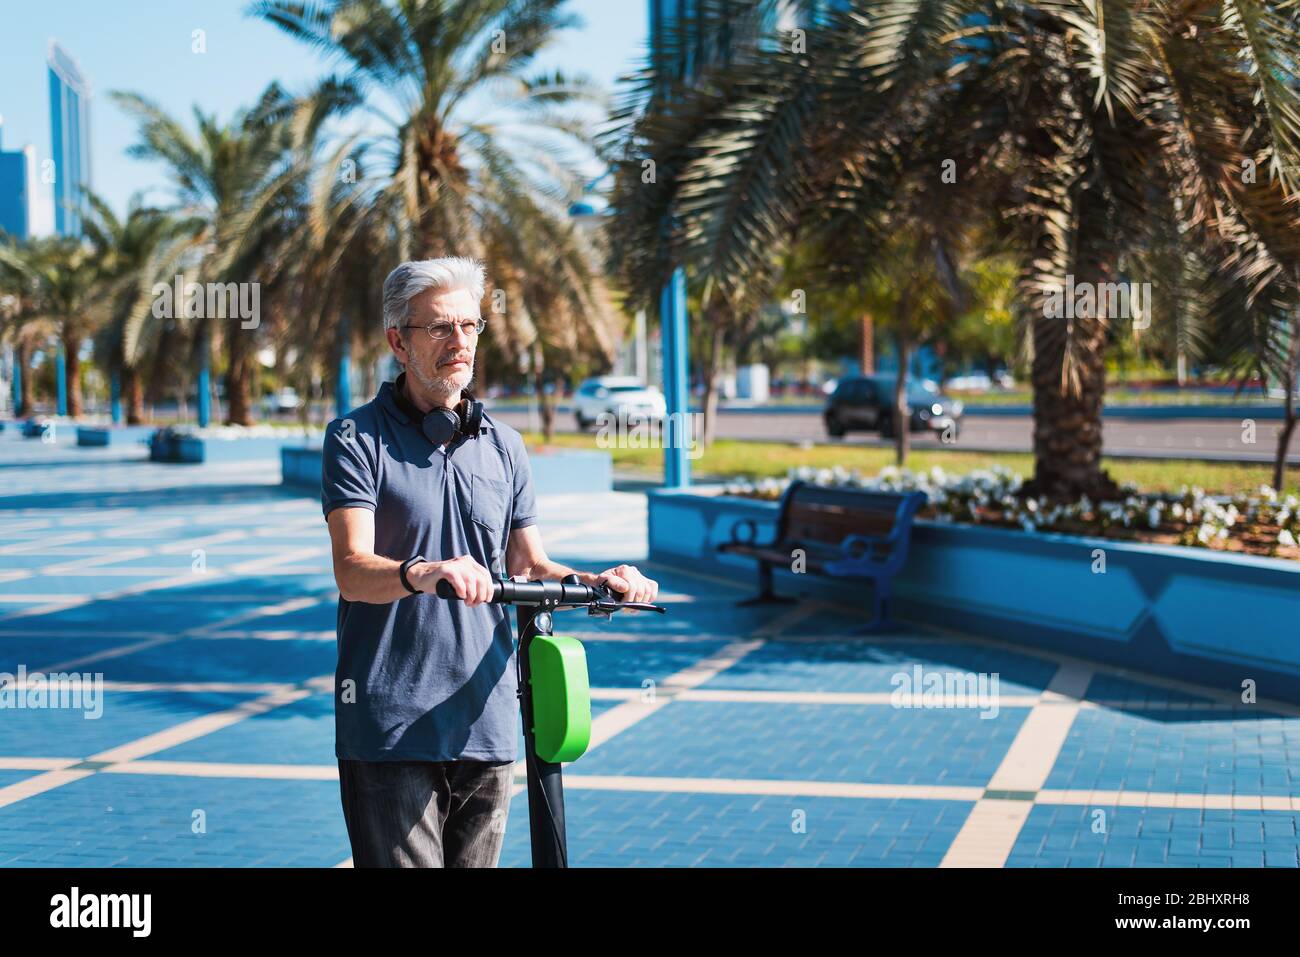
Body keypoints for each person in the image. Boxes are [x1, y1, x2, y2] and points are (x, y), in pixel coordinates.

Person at [320, 257, 657, 867]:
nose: (460, 343)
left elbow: (530, 564)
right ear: (399, 340)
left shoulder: (504, 446)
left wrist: (596, 583)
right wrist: (423, 571)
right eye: (440, 328)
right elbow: (351, 567)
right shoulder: (355, 438)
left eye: (470, 327)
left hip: (489, 719)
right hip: (391, 726)